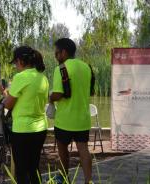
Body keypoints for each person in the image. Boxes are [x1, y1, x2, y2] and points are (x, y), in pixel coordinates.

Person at [0, 46, 49, 184]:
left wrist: (4, 95)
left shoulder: (20, 77)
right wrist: (7, 95)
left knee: (21, 171)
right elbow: (27, 99)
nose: (15, 66)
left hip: (23, 130)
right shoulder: (43, 78)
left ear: (20, 61)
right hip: (40, 128)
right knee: (34, 168)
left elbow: (8, 104)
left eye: (15, 63)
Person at [49, 38, 93, 184]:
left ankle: (63, 178)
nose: (56, 56)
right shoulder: (87, 67)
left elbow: (58, 94)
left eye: (57, 53)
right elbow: (90, 92)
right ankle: (89, 181)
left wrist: (50, 98)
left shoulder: (61, 69)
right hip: (83, 119)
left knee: (62, 151)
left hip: (65, 120)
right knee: (84, 150)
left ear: (64, 52)